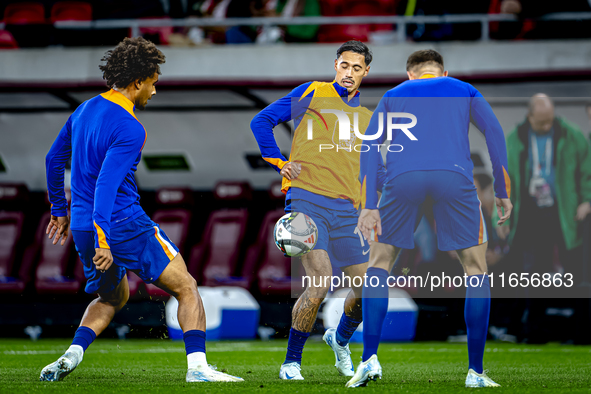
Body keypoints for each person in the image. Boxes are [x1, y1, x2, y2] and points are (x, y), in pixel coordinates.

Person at [40, 37, 242, 384]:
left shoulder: (85, 108)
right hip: (119, 223)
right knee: (187, 288)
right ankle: (198, 370)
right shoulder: (131, 127)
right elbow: (106, 185)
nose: (154, 91)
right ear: (138, 82)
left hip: (85, 226)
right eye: (153, 83)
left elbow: (53, 159)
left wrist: (60, 209)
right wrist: (105, 240)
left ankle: (70, 355)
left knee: (112, 296)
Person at [353, 49, 512, 388]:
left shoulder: (394, 94)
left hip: (402, 179)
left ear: (411, 74)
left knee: (379, 265)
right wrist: (502, 189)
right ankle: (476, 372)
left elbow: (368, 146)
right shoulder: (464, 89)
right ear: (443, 71)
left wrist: (369, 203)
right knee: (475, 268)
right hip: (453, 178)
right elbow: (494, 133)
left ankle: (368, 360)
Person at [250, 40, 383, 380]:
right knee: (321, 281)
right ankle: (291, 362)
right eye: (344, 65)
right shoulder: (313, 92)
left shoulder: (369, 119)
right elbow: (262, 121)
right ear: (335, 64)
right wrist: (279, 160)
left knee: (370, 291)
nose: (349, 72)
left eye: (357, 68)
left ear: (366, 72)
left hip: (347, 213)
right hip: (307, 201)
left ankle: (339, 340)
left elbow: (375, 172)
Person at [494, 94, 591, 343]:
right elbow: (505, 182)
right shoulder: (514, 140)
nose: (547, 127)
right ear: (529, 117)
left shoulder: (573, 136)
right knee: (533, 272)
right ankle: (534, 331)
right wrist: (502, 216)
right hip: (530, 212)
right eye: (541, 123)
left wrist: (587, 200)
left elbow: (586, 172)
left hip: (565, 212)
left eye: (549, 122)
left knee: (577, 272)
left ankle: (581, 332)